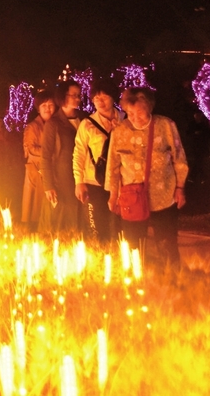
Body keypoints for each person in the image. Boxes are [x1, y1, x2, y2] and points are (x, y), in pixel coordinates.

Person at [106, 87, 188, 277]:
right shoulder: (120, 130)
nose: (134, 117)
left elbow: (179, 159)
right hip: (131, 199)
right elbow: (113, 166)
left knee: (166, 242)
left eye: (139, 112)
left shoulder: (166, 125)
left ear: (149, 107)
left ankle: (172, 279)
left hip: (163, 196)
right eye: (130, 112)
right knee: (133, 242)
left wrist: (180, 187)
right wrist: (112, 195)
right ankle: (135, 279)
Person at [73, 80, 124, 244]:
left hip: (121, 181)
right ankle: (101, 255)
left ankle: (120, 256)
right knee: (98, 225)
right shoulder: (87, 124)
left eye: (105, 97)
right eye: (96, 98)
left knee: (121, 225)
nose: (100, 102)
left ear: (113, 97)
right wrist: (79, 182)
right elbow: (79, 153)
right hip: (95, 181)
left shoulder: (126, 118)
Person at [40, 80, 85, 235]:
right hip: (63, 178)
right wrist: (48, 185)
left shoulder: (84, 119)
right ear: (63, 96)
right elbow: (45, 156)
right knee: (65, 218)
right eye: (74, 95)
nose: (78, 98)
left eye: (79, 95)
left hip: (84, 175)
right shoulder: (53, 123)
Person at [21, 90, 55, 231]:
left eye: (50, 105)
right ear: (38, 108)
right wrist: (51, 153)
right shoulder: (33, 127)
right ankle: (33, 229)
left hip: (51, 168)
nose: (47, 108)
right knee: (35, 203)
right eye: (44, 105)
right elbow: (31, 148)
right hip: (36, 169)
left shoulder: (56, 124)